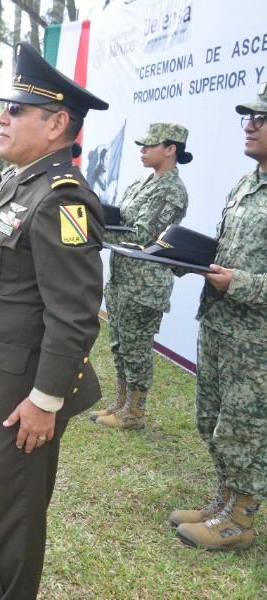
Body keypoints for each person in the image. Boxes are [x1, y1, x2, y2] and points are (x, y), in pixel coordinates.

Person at [0, 42, 108, 599]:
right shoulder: (18, 180)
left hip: (21, 395)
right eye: (5, 108)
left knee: (16, 517)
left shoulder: (62, 199)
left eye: (16, 110)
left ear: (57, 124)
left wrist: (46, 400)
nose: (2, 118)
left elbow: (75, 316)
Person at [170, 83, 267, 551]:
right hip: (221, 329)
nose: (249, 125)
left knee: (244, 431)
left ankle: (240, 523)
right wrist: (191, 258)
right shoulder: (247, 183)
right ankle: (223, 502)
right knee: (212, 420)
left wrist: (241, 283)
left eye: (261, 118)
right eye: (248, 117)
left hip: (258, 343)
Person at [91, 122, 192, 429]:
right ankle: (121, 403)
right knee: (120, 344)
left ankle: (135, 412)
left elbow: (144, 234)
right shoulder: (143, 182)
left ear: (170, 149)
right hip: (123, 277)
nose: (142, 150)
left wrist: (92, 228)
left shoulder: (172, 189)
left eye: (150, 145)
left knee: (137, 348)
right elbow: (121, 217)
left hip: (145, 284)